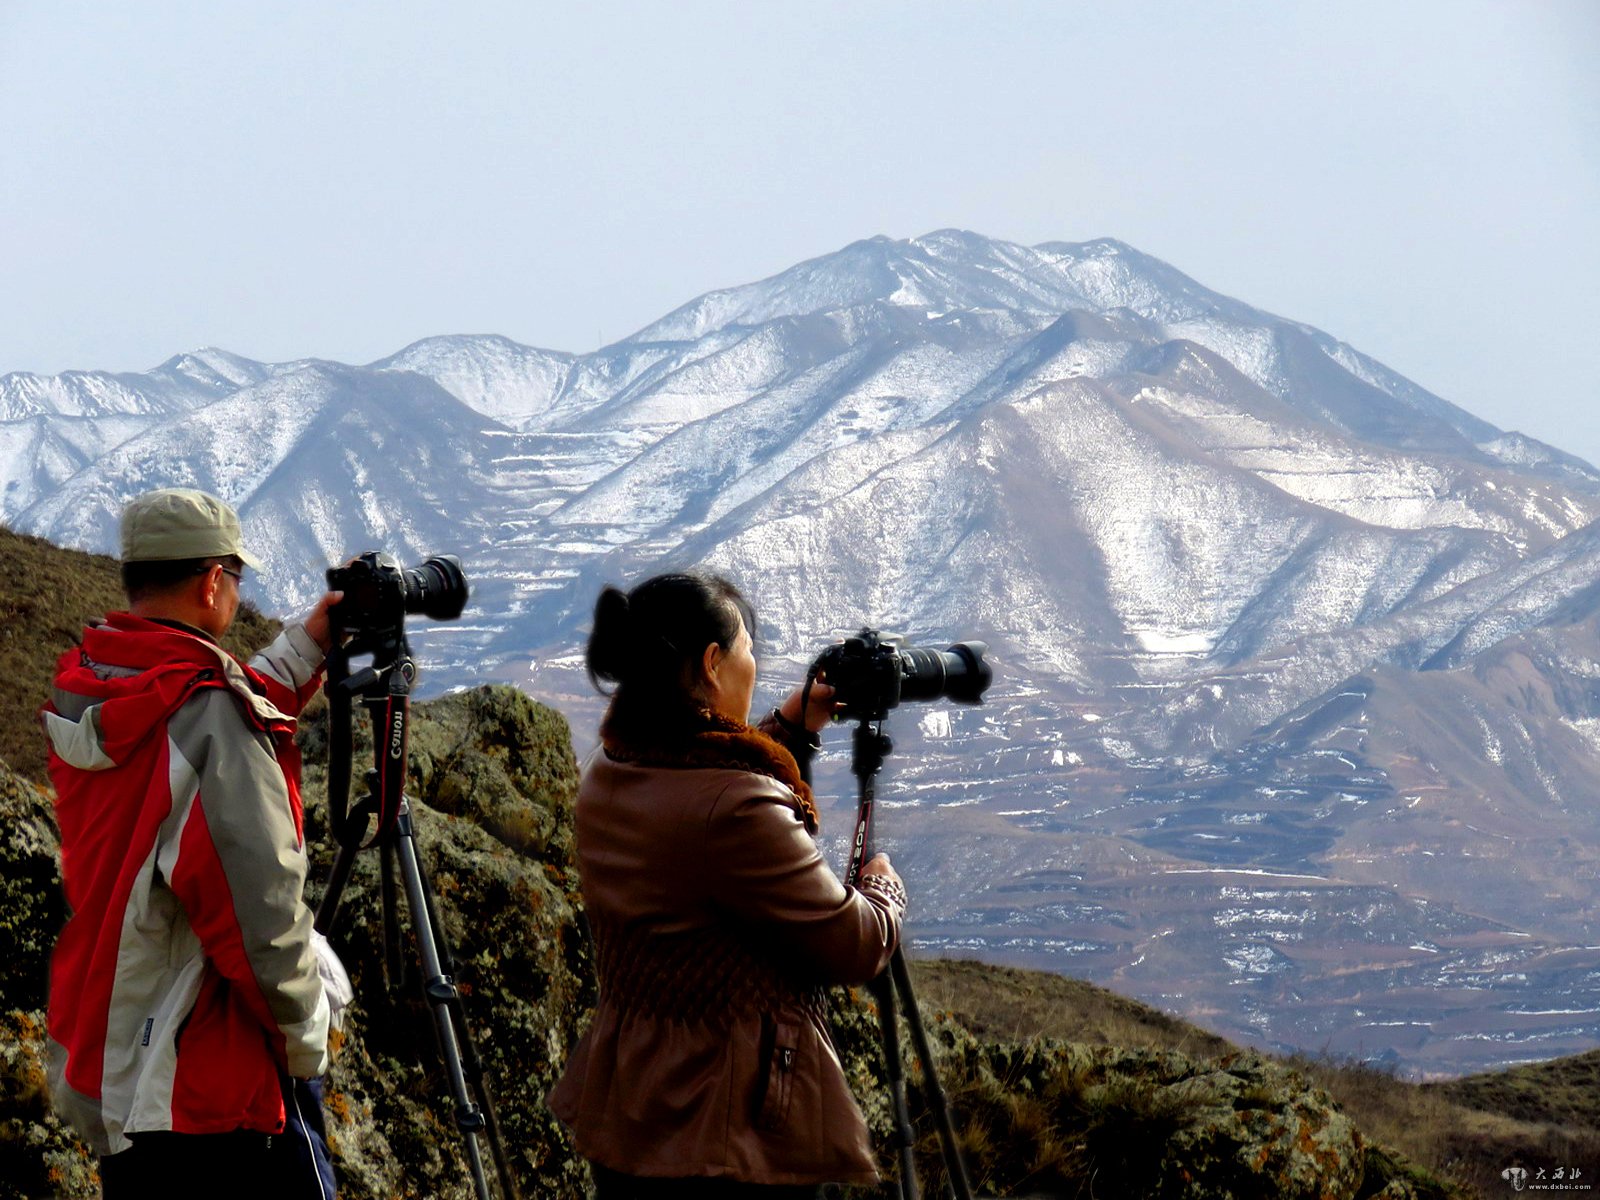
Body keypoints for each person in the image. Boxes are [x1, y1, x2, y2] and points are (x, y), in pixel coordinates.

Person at [549, 571, 908, 1198]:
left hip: (635, 1108)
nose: (754, 662)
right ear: (712, 663)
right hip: (726, 1132)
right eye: (746, 648)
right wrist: (884, 892)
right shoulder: (735, 809)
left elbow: (693, 810)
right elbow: (853, 943)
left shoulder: (611, 769)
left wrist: (792, 728)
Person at [41, 488, 347, 1199]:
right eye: (235, 579)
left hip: (117, 1062)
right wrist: (306, 1042)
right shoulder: (207, 719)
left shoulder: (96, 681)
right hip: (202, 1091)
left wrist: (305, 650)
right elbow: (260, 919)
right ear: (214, 582)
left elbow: (194, 719)